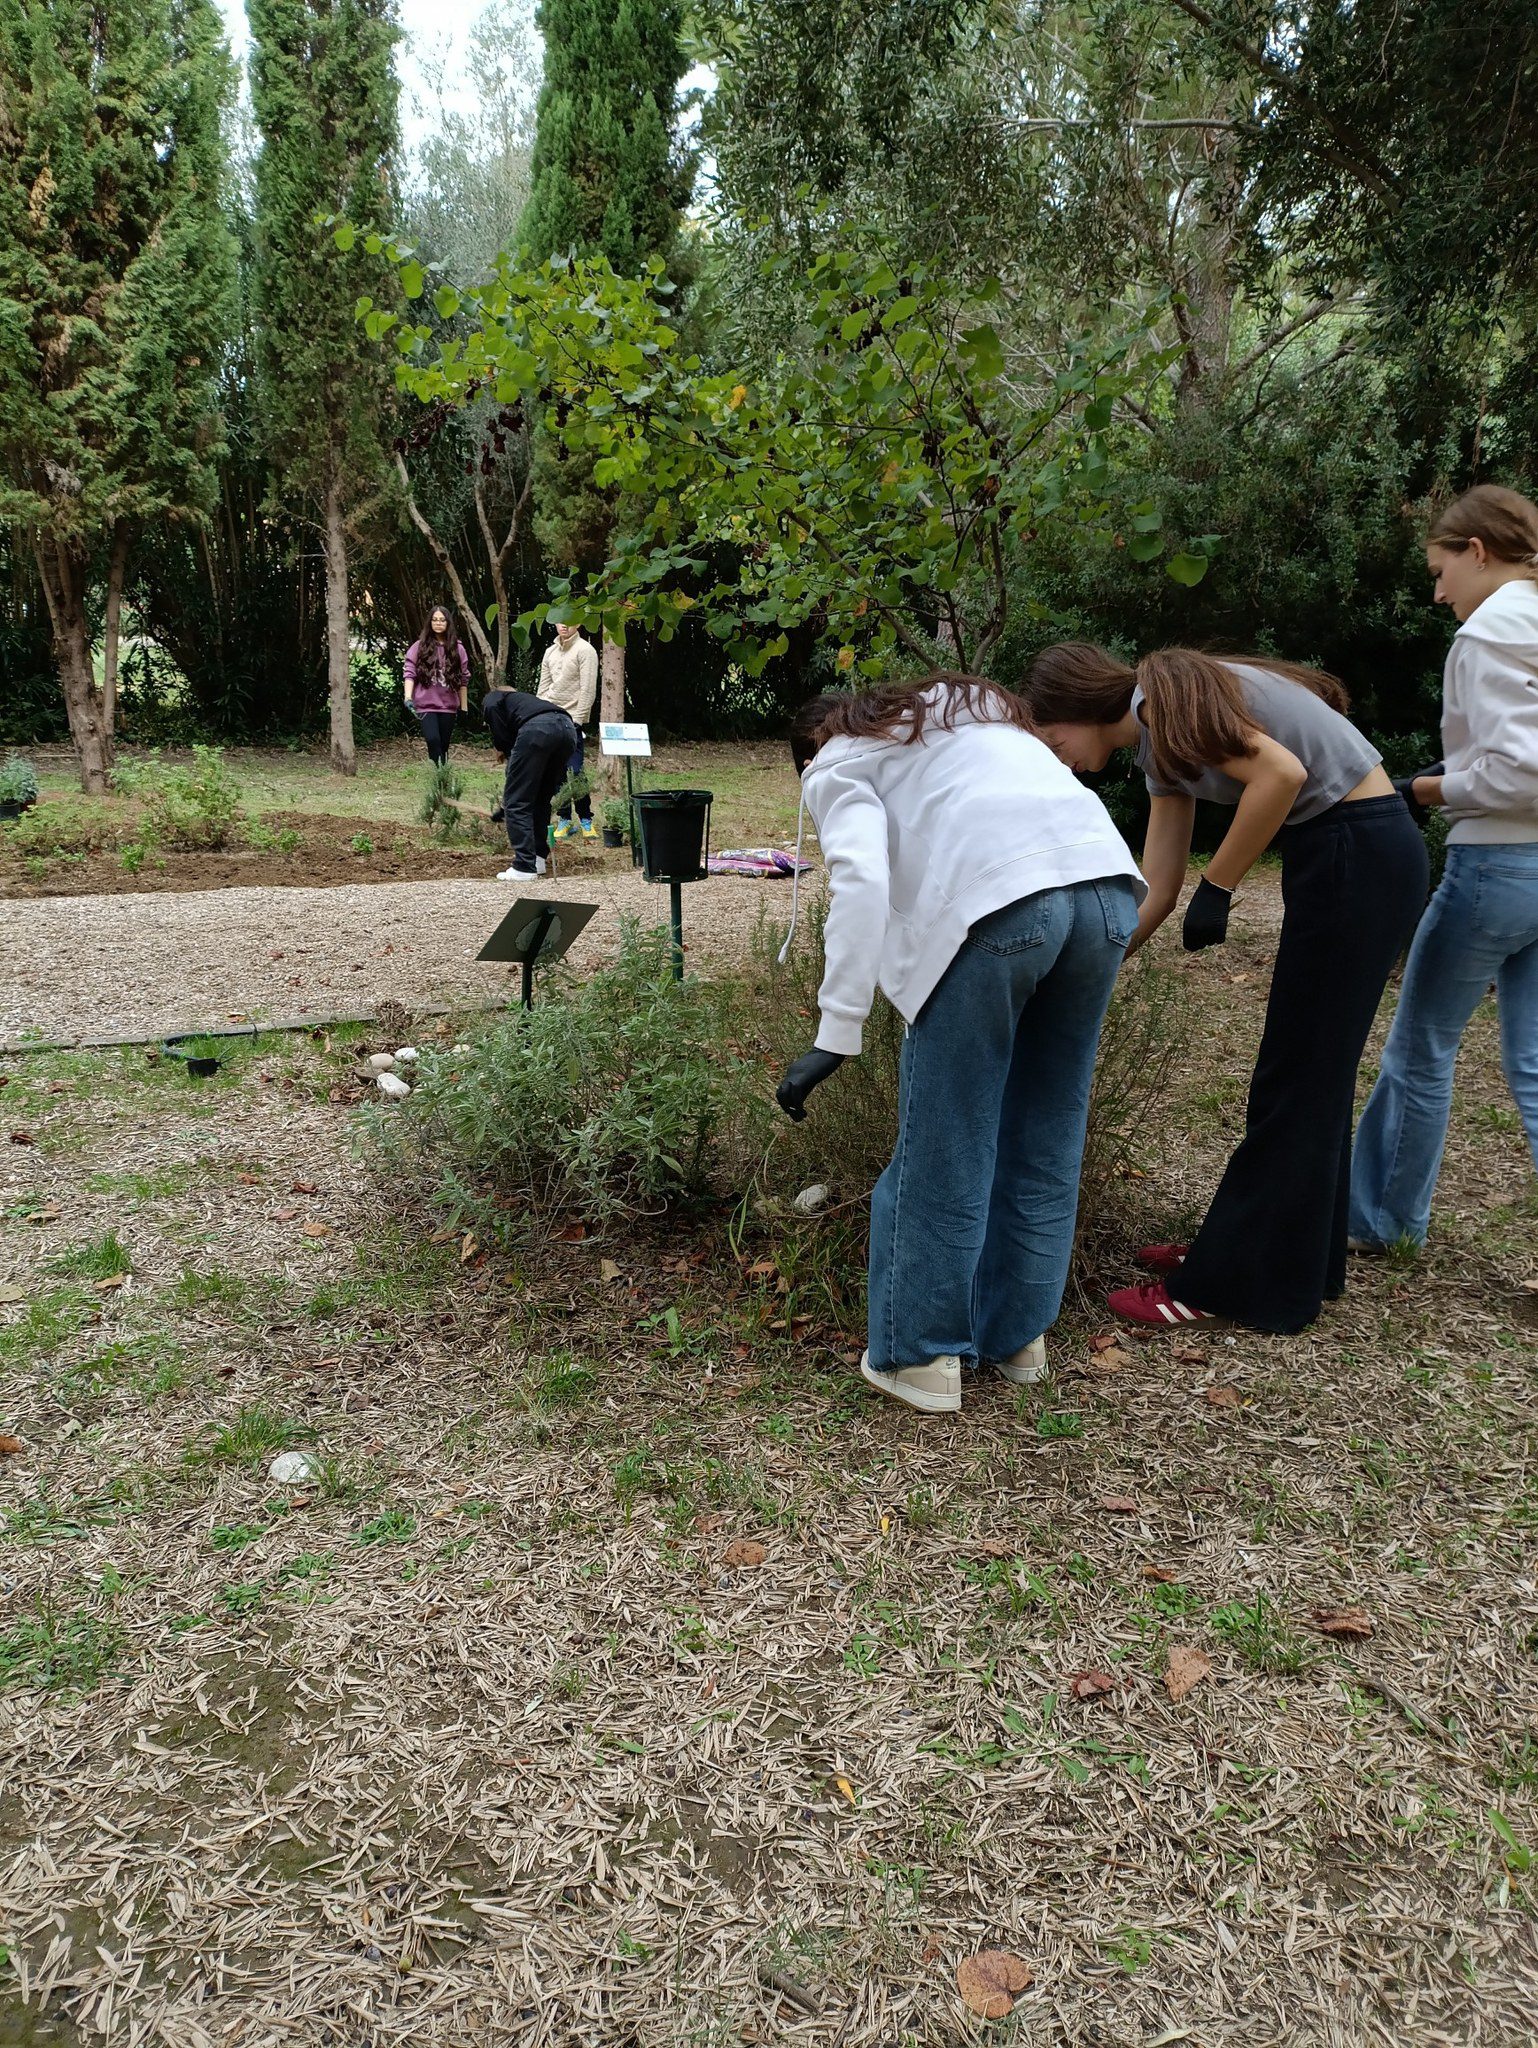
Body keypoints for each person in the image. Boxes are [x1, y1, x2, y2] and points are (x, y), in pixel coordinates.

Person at [1023, 642, 1427, 1336]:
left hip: (1356, 852)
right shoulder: (1157, 746)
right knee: (1311, 1077)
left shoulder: (1162, 705)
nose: (1058, 757)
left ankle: (1228, 1283)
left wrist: (1222, 886)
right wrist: (1101, 960)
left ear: (1079, 708)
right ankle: (1291, 1260)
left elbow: (1282, 773)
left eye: (1052, 739)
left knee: (1295, 1080)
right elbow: (1159, 881)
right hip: (1351, 853)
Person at [775, 672, 1145, 1415]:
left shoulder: (837, 760)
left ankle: (921, 1356)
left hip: (1003, 907)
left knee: (947, 1141)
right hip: (1105, 887)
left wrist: (835, 1032)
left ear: (814, 748)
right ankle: (1018, 1338)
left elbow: (859, 880)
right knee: (1047, 1131)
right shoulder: (965, 716)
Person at [1351, 486, 1538, 1248]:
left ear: (1478, 552)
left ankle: (1384, 1221)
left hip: (1495, 865)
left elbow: (1520, 770)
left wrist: (1432, 787)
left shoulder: (1490, 634)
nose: (1437, 592)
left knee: (1421, 1046)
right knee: (1531, 1060)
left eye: (1439, 569)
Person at [482, 686, 579, 882]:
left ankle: (524, 867)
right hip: (568, 729)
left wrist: (502, 747)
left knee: (518, 802)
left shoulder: (495, 697)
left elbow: (491, 708)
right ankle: (537, 860)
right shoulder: (529, 703)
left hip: (539, 730)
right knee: (540, 799)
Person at [537, 621, 600, 840]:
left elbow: (588, 690)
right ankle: (564, 819)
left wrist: (578, 721)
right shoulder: (550, 652)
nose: (564, 625)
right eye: (560, 621)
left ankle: (585, 819)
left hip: (572, 721)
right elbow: (543, 688)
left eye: (570, 620)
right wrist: (540, 716)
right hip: (550, 719)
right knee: (556, 771)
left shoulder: (585, 650)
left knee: (575, 771)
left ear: (580, 621)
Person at [404, 604, 470, 764]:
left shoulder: (457, 649)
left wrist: (464, 707)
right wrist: (408, 697)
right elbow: (409, 673)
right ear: (430, 623)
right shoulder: (419, 647)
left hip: (448, 706)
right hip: (426, 705)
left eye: (442, 620)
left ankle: (442, 780)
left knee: (443, 745)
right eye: (434, 620)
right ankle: (437, 775)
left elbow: (463, 679)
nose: (438, 623)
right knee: (433, 740)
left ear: (448, 623)